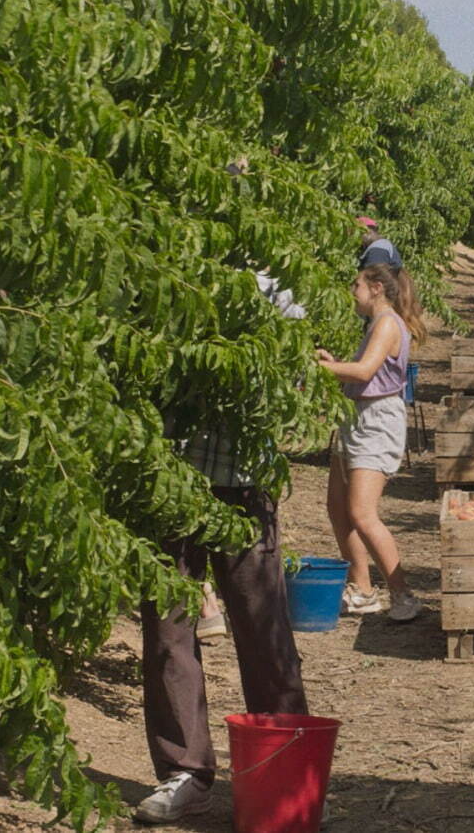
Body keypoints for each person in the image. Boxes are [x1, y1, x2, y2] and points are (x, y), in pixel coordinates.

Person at [135, 272, 309, 824]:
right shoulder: (159, 263)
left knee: (264, 628)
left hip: (244, 480)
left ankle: (286, 768)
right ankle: (184, 771)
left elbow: (296, 376)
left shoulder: (274, 286)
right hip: (169, 478)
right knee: (168, 630)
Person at [315, 265, 427, 622]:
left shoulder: (387, 323)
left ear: (377, 288)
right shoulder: (376, 324)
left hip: (376, 422)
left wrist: (317, 369)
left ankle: (403, 594)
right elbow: (364, 371)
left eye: (357, 284)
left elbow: (364, 371)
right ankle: (362, 590)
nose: (353, 290)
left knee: (362, 513)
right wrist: (336, 366)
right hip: (357, 417)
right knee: (338, 508)